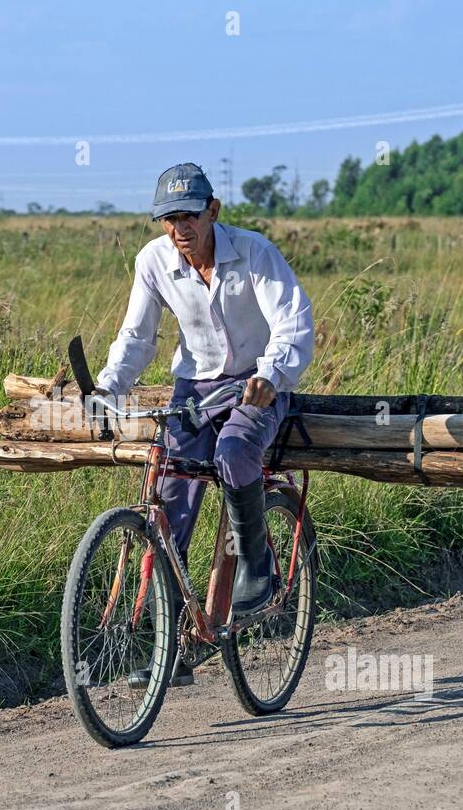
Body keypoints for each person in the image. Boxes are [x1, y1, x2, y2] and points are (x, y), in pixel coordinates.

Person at [94, 163, 314, 686]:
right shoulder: (153, 261)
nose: (179, 230)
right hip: (193, 390)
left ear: (213, 211)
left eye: (189, 217)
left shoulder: (254, 253)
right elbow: (137, 338)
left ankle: (257, 569)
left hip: (255, 384)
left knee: (236, 450)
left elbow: (293, 323)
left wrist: (271, 374)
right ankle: (172, 648)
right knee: (167, 502)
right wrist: (109, 388)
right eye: (168, 220)